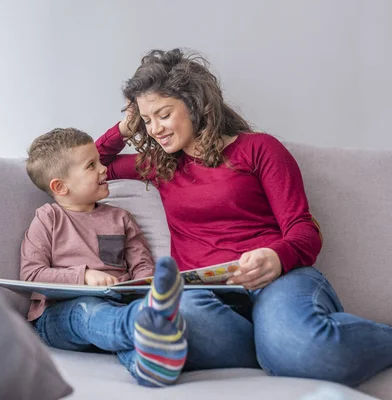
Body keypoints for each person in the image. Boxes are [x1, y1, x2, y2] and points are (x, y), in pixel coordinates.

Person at [96, 48, 392, 386]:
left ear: (195, 104)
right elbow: (94, 166)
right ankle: (270, 347)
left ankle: (280, 345)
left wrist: (275, 257)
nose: (155, 130)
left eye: (163, 114)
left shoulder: (258, 149)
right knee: (169, 318)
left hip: (277, 282)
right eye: (147, 121)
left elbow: (304, 231)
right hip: (206, 296)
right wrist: (126, 125)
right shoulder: (162, 165)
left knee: (303, 349)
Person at [20, 127, 189, 387]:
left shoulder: (119, 218)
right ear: (60, 186)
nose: (103, 169)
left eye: (100, 161)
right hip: (60, 315)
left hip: (117, 305)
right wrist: (84, 276)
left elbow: (142, 263)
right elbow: (31, 275)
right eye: (91, 165)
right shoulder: (48, 218)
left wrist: (144, 284)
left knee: (114, 318)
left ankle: (147, 365)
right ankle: (147, 320)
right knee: (88, 311)